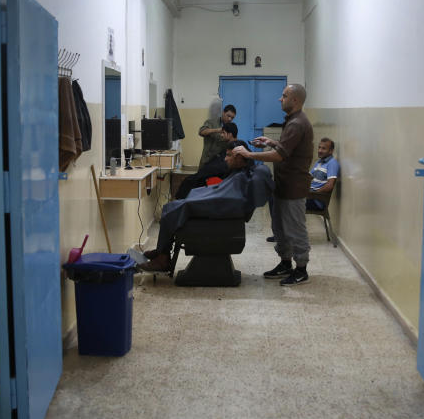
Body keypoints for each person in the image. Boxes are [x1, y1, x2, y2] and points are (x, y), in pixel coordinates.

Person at [139, 140, 272, 272]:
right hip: (220, 204)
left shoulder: (242, 177)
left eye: (228, 155)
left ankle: (163, 260)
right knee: (169, 207)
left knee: (173, 211)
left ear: (238, 158)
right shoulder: (240, 173)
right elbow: (221, 192)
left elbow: (226, 198)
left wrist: (196, 201)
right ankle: (162, 250)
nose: (225, 159)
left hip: (222, 208)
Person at [231, 83, 314, 286]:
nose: (280, 99)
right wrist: (270, 141)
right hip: (283, 184)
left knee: (295, 229)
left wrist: (249, 154)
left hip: (294, 187)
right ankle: (285, 263)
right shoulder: (292, 121)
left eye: (284, 96)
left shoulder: (297, 124)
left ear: (295, 100)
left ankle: (301, 268)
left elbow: (279, 156)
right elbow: (286, 149)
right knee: (280, 228)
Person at [174, 122, 238, 200]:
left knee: (189, 182)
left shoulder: (235, 148)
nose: (221, 135)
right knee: (190, 180)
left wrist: (206, 170)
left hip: (216, 175)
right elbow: (202, 132)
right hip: (212, 171)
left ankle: (181, 204)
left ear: (230, 134)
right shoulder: (229, 145)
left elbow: (224, 166)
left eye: (223, 133)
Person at [198, 102, 237, 167]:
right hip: (206, 160)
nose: (230, 119)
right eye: (228, 116)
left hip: (219, 163)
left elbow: (234, 143)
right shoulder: (211, 122)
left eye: (232, 118)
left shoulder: (230, 128)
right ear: (223, 113)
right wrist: (217, 130)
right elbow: (201, 132)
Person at [307, 137, 339, 210]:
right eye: (319, 147)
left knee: (290, 203)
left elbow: (330, 185)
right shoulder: (319, 162)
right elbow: (308, 177)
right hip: (309, 196)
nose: (319, 150)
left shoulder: (332, 163)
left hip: (316, 201)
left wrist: (314, 194)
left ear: (331, 151)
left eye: (323, 148)